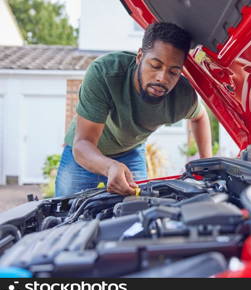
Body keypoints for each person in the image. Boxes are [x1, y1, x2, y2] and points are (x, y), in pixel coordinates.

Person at [55, 22, 212, 197]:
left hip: (130, 152)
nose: (162, 78)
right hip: (85, 153)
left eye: (173, 72)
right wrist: (110, 166)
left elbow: (200, 117)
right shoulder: (105, 74)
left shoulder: (182, 96)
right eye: (155, 65)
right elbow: (83, 143)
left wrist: (207, 166)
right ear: (139, 57)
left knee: (137, 211)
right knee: (65, 212)